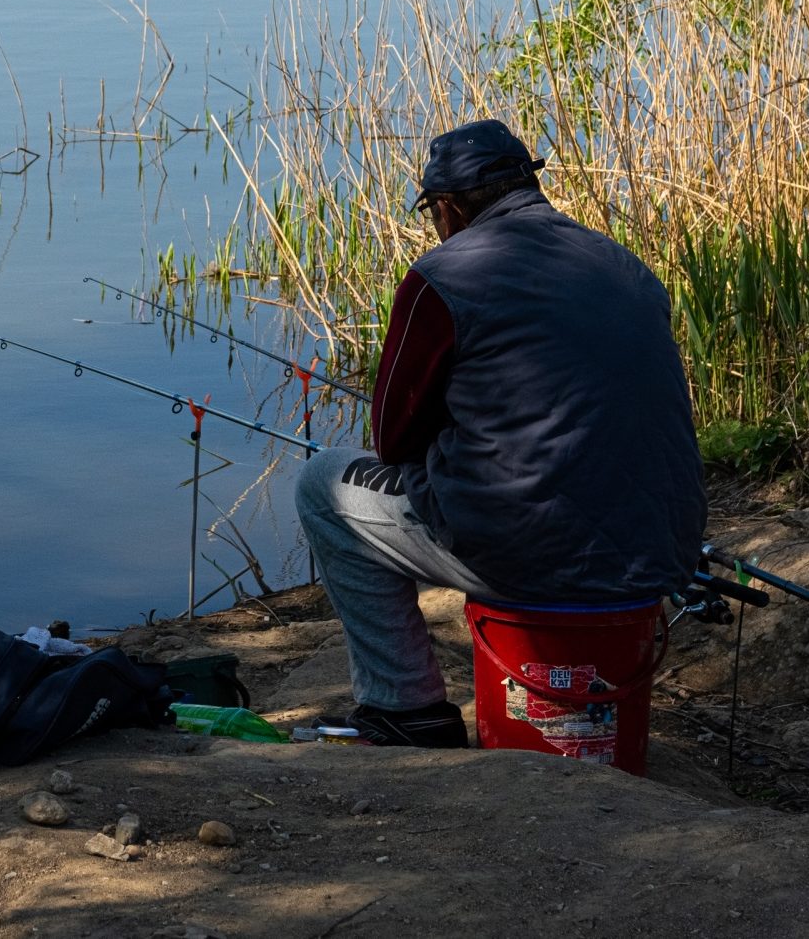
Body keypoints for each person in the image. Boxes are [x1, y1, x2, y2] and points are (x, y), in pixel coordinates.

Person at [295, 118, 706, 748]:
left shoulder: (442, 277)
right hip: (654, 553)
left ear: (450, 208)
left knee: (322, 483)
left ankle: (407, 711)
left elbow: (393, 440)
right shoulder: (626, 267)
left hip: (528, 554)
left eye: (433, 212)